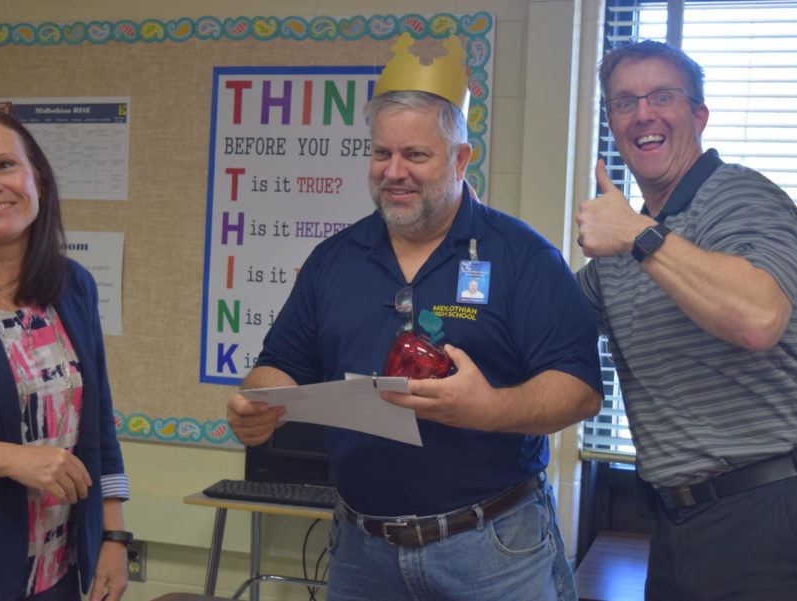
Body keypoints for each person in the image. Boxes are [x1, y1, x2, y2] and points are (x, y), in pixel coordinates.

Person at [227, 33, 602, 601]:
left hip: (493, 547)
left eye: (416, 156)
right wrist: (257, 401)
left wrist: (489, 409)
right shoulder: (334, 260)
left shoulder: (525, 257)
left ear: (460, 158)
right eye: (382, 154)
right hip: (362, 550)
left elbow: (578, 389)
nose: (393, 172)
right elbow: (281, 363)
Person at [576, 40, 797, 600]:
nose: (642, 113)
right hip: (677, 526)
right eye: (623, 103)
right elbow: (539, 327)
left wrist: (639, 236)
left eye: (661, 96)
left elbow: (758, 318)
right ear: (613, 126)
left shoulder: (742, 197)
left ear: (699, 114)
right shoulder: (623, 248)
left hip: (775, 514)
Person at [0, 103, 131, 601]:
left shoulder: (72, 285)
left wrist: (115, 537)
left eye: (5, 165)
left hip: (57, 572)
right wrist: (9, 459)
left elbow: (98, 424)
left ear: (36, 176)